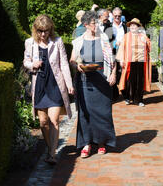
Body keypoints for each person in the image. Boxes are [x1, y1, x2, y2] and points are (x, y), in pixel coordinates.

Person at [23, 14, 74, 165]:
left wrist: (69, 84)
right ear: (35, 30)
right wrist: (32, 64)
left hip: (55, 85)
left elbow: (64, 64)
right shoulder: (29, 43)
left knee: (53, 121)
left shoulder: (57, 42)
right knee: (43, 122)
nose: (43, 34)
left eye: (46, 31)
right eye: (40, 31)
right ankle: (51, 147)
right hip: (39, 85)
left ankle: (52, 154)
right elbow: (25, 60)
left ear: (50, 29)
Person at [70, 10, 117, 158]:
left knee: (103, 113)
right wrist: (77, 66)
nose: (96, 25)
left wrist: (114, 74)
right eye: (93, 23)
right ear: (85, 25)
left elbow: (112, 60)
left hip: (103, 81)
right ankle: (87, 143)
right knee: (85, 113)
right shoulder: (78, 41)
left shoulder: (104, 38)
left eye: (97, 22)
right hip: (85, 81)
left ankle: (102, 142)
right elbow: (72, 60)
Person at [117, 18, 152, 107]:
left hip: (141, 61)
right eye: (131, 25)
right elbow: (121, 48)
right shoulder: (126, 36)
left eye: (134, 25)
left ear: (138, 27)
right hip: (129, 61)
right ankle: (127, 97)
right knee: (128, 80)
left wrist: (147, 43)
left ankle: (139, 100)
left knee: (140, 81)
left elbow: (150, 47)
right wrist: (121, 59)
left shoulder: (143, 36)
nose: (132, 27)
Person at [110, 7, 128, 101]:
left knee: (123, 72)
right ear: (112, 15)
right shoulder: (108, 26)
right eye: (115, 15)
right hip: (112, 52)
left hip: (123, 52)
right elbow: (106, 39)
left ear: (121, 16)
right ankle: (114, 94)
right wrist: (114, 43)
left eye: (119, 15)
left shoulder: (125, 26)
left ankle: (125, 94)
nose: (117, 17)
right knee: (112, 72)